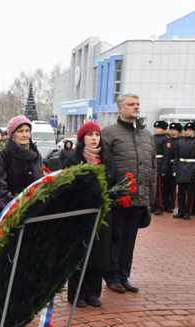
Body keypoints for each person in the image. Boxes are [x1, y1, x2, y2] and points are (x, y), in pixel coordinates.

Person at [101, 94, 156, 295]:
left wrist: (150, 198)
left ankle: (124, 276)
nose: (135, 107)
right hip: (118, 199)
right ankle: (111, 276)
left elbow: (153, 167)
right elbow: (103, 166)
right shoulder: (109, 133)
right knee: (114, 239)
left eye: (138, 104)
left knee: (129, 241)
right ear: (120, 108)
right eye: (131, 104)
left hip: (138, 199)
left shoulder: (146, 135)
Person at [64, 122, 122, 308]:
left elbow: (117, 185)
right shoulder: (74, 161)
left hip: (102, 216)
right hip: (80, 216)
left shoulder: (108, 160)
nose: (94, 138)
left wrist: (111, 196)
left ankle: (93, 292)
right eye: (90, 135)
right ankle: (77, 293)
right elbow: (66, 188)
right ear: (82, 139)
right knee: (81, 254)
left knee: (99, 254)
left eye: (97, 135)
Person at [0, 116, 44, 214]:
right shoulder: (3, 156)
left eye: (27, 131)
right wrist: (17, 206)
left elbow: (42, 181)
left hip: (35, 212)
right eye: (20, 131)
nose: (25, 135)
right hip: (12, 213)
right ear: (12, 134)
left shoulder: (36, 155)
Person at [172, 123, 195, 220]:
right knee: (181, 192)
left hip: (193, 168)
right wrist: (175, 169)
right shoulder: (180, 141)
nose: (188, 131)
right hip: (181, 167)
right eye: (187, 130)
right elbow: (176, 157)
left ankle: (188, 211)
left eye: (190, 130)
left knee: (190, 193)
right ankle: (180, 211)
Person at [152, 121, 172, 216]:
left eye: (158, 128)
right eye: (155, 128)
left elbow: (167, 155)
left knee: (158, 188)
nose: (156, 129)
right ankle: (152, 205)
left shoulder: (166, 139)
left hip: (159, 164)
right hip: (152, 163)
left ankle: (159, 206)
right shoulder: (153, 137)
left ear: (163, 129)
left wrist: (164, 169)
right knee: (152, 187)